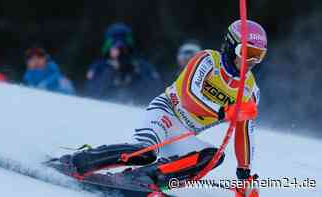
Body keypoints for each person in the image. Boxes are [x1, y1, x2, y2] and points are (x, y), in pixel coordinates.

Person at [59, 20, 267, 196]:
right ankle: (76, 162)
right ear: (231, 46)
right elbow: (188, 96)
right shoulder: (207, 60)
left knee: (213, 156)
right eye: (247, 53)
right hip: (167, 112)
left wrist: (244, 174)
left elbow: (245, 131)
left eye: (259, 55)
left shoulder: (249, 90)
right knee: (144, 152)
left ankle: (143, 178)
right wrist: (222, 112)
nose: (252, 61)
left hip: (184, 132)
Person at [84, 23, 163, 105]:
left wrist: (134, 73)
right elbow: (91, 93)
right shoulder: (99, 66)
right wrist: (110, 71)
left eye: (122, 48)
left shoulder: (140, 66)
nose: (119, 51)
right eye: (115, 47)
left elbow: (154, 93)